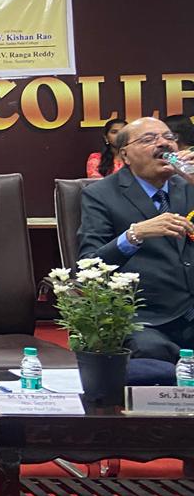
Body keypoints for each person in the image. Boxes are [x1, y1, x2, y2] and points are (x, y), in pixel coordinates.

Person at [78, 117, 194, 373]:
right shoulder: (100, 195)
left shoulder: (188, 184)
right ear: (125, 155)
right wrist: (134, 235)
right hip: (145, 319)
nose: (163, 143)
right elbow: (88, 267)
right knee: (152, 356)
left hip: (190, 312)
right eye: (149, 139)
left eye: (169, 137)